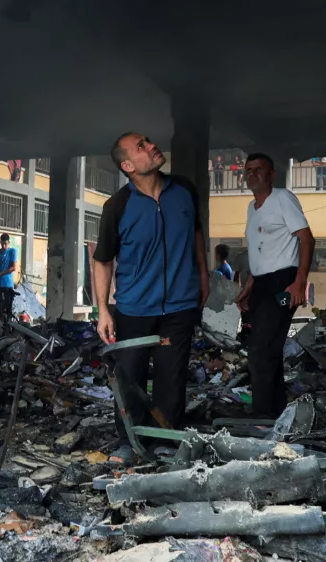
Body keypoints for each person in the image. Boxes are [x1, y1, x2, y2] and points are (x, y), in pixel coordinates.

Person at [94, 132, 209, 462]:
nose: (151, 146)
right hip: (134, 308)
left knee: (171, 377)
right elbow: (102, 260)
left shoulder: (184, 190)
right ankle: (128, 442)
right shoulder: (118, 206)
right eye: (141, 146)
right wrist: (103, 310)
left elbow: (197, 233)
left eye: (147, 140)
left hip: (180, 306)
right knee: (129, 379)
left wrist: (204, 275)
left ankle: (165, 441)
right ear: (128, 165)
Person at [234, 153, 314, 417]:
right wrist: (249, 284)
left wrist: (299, 281)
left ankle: (264, 414)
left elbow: (307, 239)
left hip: (283, 281)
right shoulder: (251, 208)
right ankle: (274, 411)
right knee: (263, 348)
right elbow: (260, 249)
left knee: (262, 348)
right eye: (248, 170)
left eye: (259, 170)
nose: (252, 174)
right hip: (262, 283)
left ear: (271, 175)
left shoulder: (282, 198)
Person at [0, 232, 18, 317]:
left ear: (8, 243)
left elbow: (13, 267)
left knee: (7, 309)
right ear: (0, 242)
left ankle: (7, 326)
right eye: (2, 244)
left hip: (7, 284)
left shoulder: (12, 251)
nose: (3, 246)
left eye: (5, 244)